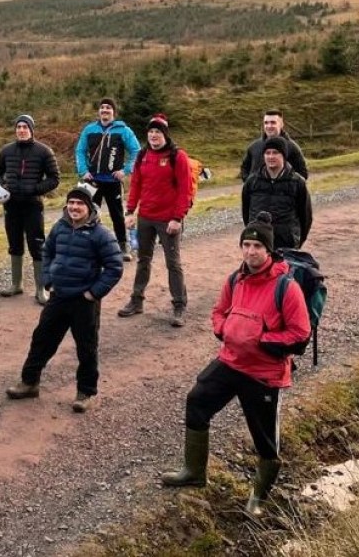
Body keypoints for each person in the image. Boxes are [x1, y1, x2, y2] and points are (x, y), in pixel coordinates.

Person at [161, 213, 311, 517]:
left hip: (263, 374)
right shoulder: (235, 279)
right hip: (230, 362)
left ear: (268, 250)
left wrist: (264, 341)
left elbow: (300, 334)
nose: (251, 251)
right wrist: (224, 329)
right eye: (246, 245)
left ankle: (258, 497)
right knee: (197, 402)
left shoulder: (287, 287)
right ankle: (193, 471)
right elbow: (219, 311)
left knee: (265, 440)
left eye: (257, 246)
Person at [5, 186, 123, 413]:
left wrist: (93, 293)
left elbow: (114, 267)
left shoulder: (101, 234)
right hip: (58, 297)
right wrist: (48, 280)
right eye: (71, 203)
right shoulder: (59, 228)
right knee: (41, 340)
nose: (74, 207)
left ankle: (86, 393)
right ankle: (29, 383)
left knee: (86, 348)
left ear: (89, 207)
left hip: (84, 302)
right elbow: (46, 252)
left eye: (80, 204)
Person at [120, 114, 192, 326]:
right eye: (151, 132)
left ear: (165, 135)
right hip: (146, 218)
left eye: (158, 132)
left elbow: (185, 191)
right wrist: (130, 211)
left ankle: (179, 306)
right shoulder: (143, 155)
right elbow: (136, 186)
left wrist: (177, 218)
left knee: (173, 263)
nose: (153, 135)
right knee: (143, 260)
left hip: (168, 219)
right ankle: (137, 301)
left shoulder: (177, 156)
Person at [0, 114, 61, 302]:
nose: (21, 130)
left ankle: (41, 289)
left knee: (37, 246)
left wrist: (36, 189)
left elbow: (54, 178)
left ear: (31, 130)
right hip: (11, 205)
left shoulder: (44, 151)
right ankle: (16, 284)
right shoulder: (6, 151)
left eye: (25, 127)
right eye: (19, 127)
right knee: (14, 244)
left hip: (33, 205)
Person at [75, 98, 141, 258]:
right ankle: (90, 246)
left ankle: (123, 246)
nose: (105, 110)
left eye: (108, 108)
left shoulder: (123, 130)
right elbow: (80, 151)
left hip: (113, 181)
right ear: (99, 111)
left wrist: (125, 170)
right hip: (92, 180)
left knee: (117, 214)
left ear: (114, 112)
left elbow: (137, 151)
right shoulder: (89, 129)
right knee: (89, 214)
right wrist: (83, 170)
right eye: (102, 107)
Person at [241, 137, 313, 251]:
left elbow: (306, 217)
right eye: (267, 153)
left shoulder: (297, 183)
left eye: (275, 153)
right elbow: (246, 212)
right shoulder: (252, 182)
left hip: (286, 244)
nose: (270, 156)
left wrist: (296, 240)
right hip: (259, 244)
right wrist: (253, 231)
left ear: (284, 155)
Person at [241, 110, 309, 180]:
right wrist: (251, 184)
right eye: (266, 123)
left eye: (273, 123)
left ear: (281, 124)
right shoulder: (254, 146)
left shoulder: (292, 147)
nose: (269, 126)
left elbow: (303, 174)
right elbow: (244, 169)